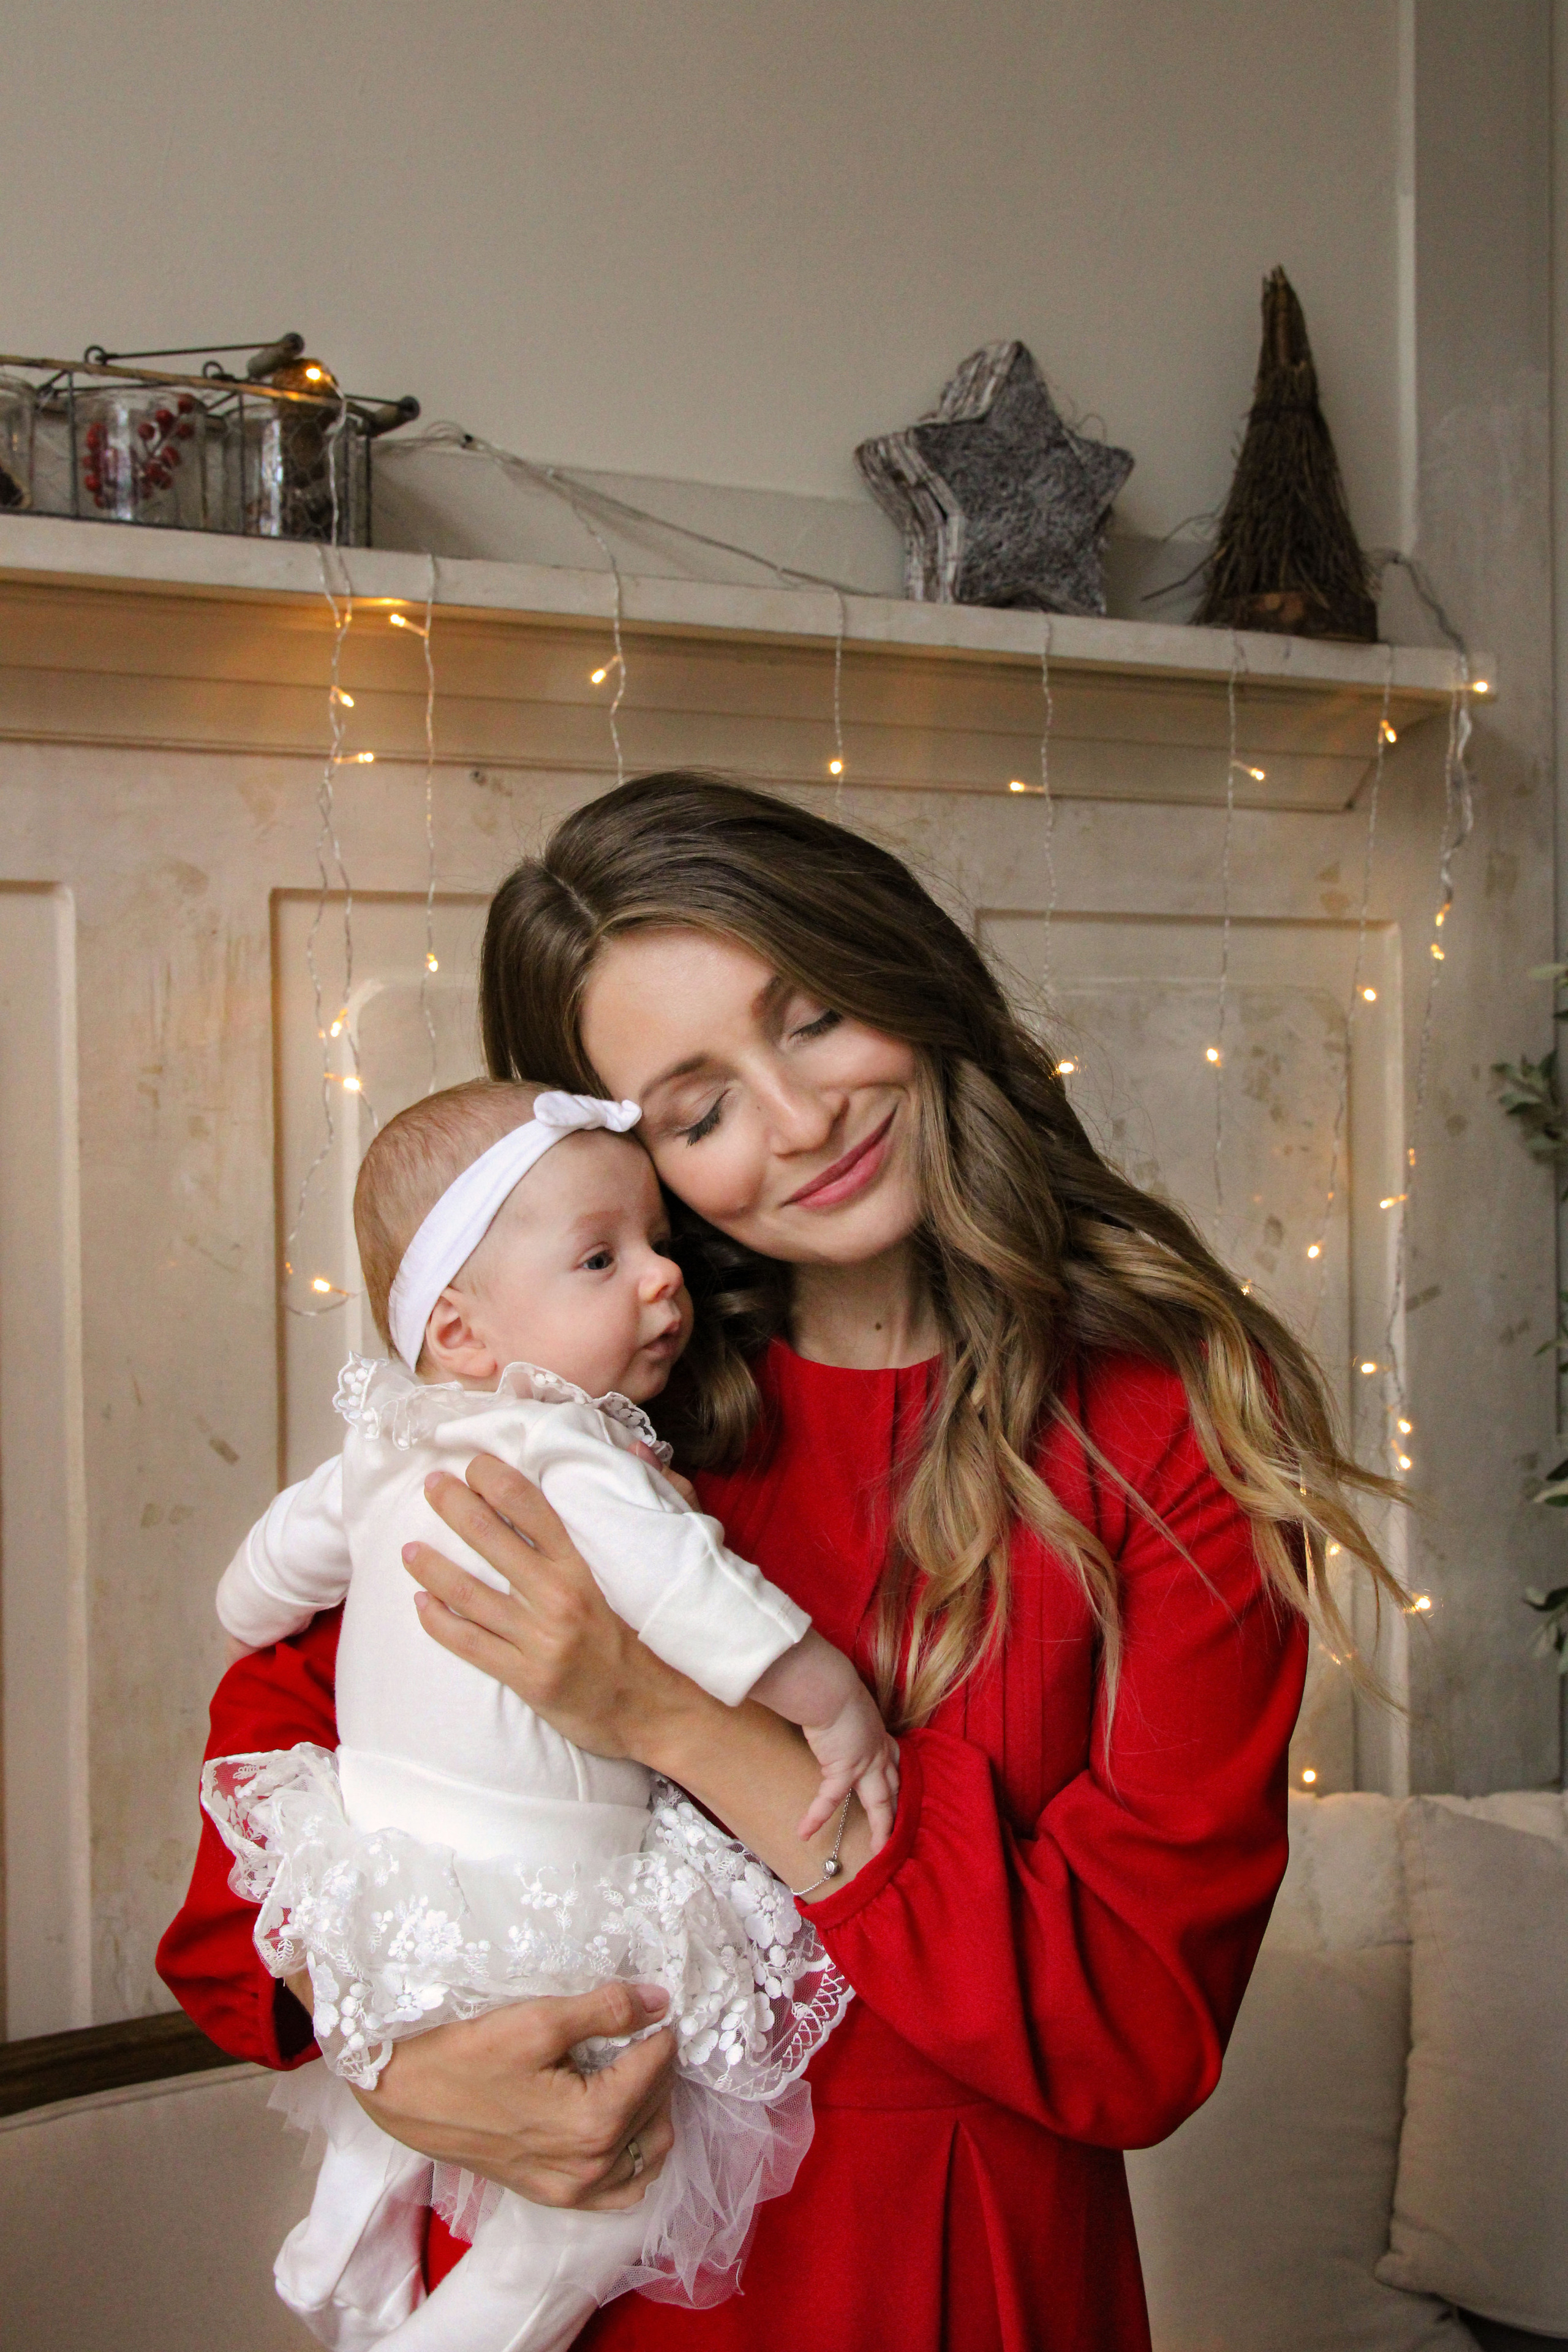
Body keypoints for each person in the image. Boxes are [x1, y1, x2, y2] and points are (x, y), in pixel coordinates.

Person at [162, 771, 1402, 2352]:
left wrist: (675, 1721)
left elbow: (1131, 2038)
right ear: (628, 1158)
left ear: (901, 971)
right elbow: (239, 1900)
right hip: (582, 2271)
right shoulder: (577, 1422)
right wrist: (404, 2072)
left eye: (811, 1018)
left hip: (949, 2275)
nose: (801, 1119)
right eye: (698, 1107)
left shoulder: (1168, 1425)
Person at [204, 1076, 894, 2349]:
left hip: (383, 1873)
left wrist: (255, 1613)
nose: (660, 1281)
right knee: (626, 2178)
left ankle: (346, 2233)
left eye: (658, 1248)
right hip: (549, 1896)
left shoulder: (374, 1456)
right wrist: (831, 1695)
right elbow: (701, 1601)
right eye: (601, 1259)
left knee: (408, 2086)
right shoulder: (575, 1455)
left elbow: (261, 1579)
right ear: (464, 1332)